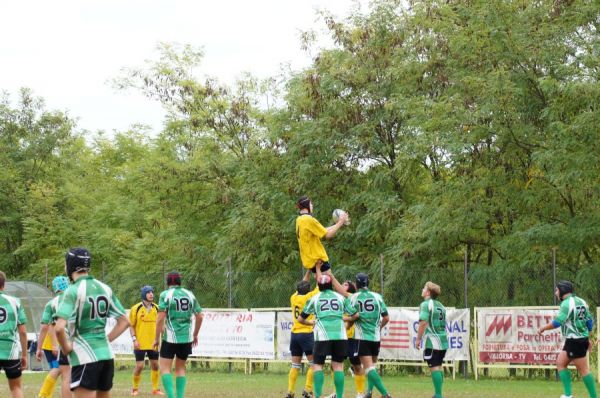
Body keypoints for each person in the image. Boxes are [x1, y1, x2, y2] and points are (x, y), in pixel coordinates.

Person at [54, 247, 130, 398]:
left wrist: (66, 348)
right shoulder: (104, 288)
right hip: (106, 355)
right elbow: (125, 321)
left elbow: (58, 328)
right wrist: (106, 339)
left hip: (84, 357)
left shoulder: (72, 291)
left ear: (70, 266)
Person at [298, 274, 358, 398]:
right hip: (340, 335)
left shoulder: (314, 298)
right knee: (338, 366)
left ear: (319, 286)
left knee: (318, 366)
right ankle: (340, 396)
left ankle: (318, 395)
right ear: (331, 285)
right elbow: (356, 315)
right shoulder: (341, 298)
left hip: (322, 337)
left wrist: (310, 322)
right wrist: (344, 319)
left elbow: (300, 319)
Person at [538, 280, 597, 398]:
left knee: (584, 370)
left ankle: (593, 397)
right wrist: (587, 337)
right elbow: (589, 320)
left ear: (562, 290)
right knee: (560, 362)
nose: (555, 293)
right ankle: (568, 395)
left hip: (575, 340)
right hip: (577, 340)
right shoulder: (582, 301)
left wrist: (543, 328)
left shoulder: (566, 303)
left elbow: (558, 322)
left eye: (556, 290)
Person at [154, 271, 203, 398]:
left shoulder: (165, 294)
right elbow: (200, 316)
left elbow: (160, 318)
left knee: (165, 369)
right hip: (186, 338)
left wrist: (156, 338)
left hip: (170, 338)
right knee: (180, 369)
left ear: (168, 282)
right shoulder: (189, 294)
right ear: (180, 282)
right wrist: (195, 334)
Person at [349, 273, 391, 398]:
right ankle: (369, 391)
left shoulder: (354, 297)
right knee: (372, 366)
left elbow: (352, 316)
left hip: (362, 338)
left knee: (368, 369)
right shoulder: (377, 296)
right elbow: (386, 318)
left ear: (356, 284)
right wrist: (379, 327)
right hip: (376, 338)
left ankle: (385, 394)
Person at [326, 280, 366, 398]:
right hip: (338, 336)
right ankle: (338, 393)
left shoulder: (353, 299)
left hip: (351, 337)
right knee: (335, 365)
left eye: (346, 284)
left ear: (351, 289)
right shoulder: (336, 300)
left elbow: (355, 317)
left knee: (356, 365)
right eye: (342, 283)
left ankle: (360, 393)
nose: (342, 285)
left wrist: (344, 319)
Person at [36, 275, 71, 398]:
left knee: (62, 372)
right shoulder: (74, 298)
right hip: (60, 343)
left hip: (56, 344)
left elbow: (45, 326)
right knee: (60, 371)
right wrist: (55, 345)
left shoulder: (52, 303)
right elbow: (50, 326)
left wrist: (38, 348)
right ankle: (43, 395)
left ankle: (43, 395)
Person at [295, 196, 348, 275]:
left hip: (311, 260)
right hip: (318, 260)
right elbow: (328, 235)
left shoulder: (299, 219)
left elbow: (323, 230)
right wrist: (340, 222)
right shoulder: (309, 220)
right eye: (311, 204)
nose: (312, 205)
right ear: (307, 206)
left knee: (321, 286)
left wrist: (338, 224)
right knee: (326, 286)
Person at [286, 271, 319, 398]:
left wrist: (309, 270)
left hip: (294, 334)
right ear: (308, 291)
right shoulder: (309, 298)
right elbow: (320, 284)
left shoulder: (293, 297)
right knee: (314, 363)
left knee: (295, 365)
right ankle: (307, 389)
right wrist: (317, 269)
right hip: (305, 334)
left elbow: (303, 284)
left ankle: (290, 391)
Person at [415, 281, 447, 398]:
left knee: (434, 367)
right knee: (438, 367)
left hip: (433, 342)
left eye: (424, 288)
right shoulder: (441, 306)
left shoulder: (425, 304)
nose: (422, 290)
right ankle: (438, 394)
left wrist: (418, 339)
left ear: (428, 292)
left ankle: (438, 395)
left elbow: (423, 322)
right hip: (443, 341)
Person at [129, 285, 163, 396]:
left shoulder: (157, 308)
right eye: (148, 292)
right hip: (140, 343)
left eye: (152, 292)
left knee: (155, 365)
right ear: (144, 294)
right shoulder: (136, 308)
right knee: (140, 366)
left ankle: (155, 389)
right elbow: (131, 326)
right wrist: (134, 339)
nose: (151, 294)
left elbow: (162, 325)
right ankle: (134, 389)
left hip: (153, 343)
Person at [0, 271, 28, 398]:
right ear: (4, 285)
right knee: (16, 388)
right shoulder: (15, 302)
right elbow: (22, 331)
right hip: (11, 351)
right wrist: (25, 355)